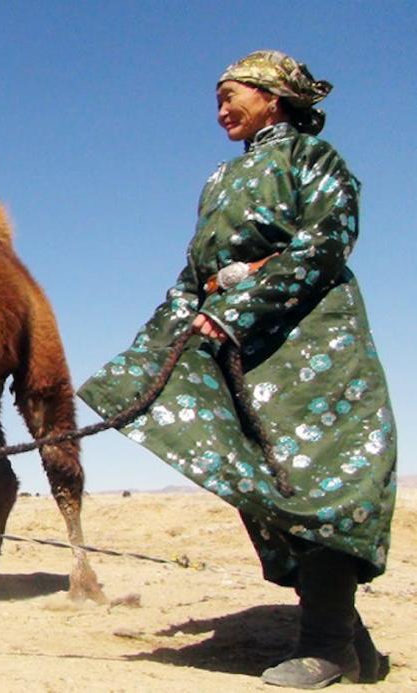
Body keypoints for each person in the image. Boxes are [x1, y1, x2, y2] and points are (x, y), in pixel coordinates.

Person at [78, 50, 396, 688]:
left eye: (233, 94)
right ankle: (348, 644)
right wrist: (150, 352)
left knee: (323, 481)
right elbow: (195, 272)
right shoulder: (221, 177)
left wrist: (243, 300)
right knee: (269, 488)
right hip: (243, 352)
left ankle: (330, 649)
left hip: (313, 344)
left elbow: (327, 239)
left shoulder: (313, 160)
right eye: (217, 98)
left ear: (274, 97)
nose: (221, 108)